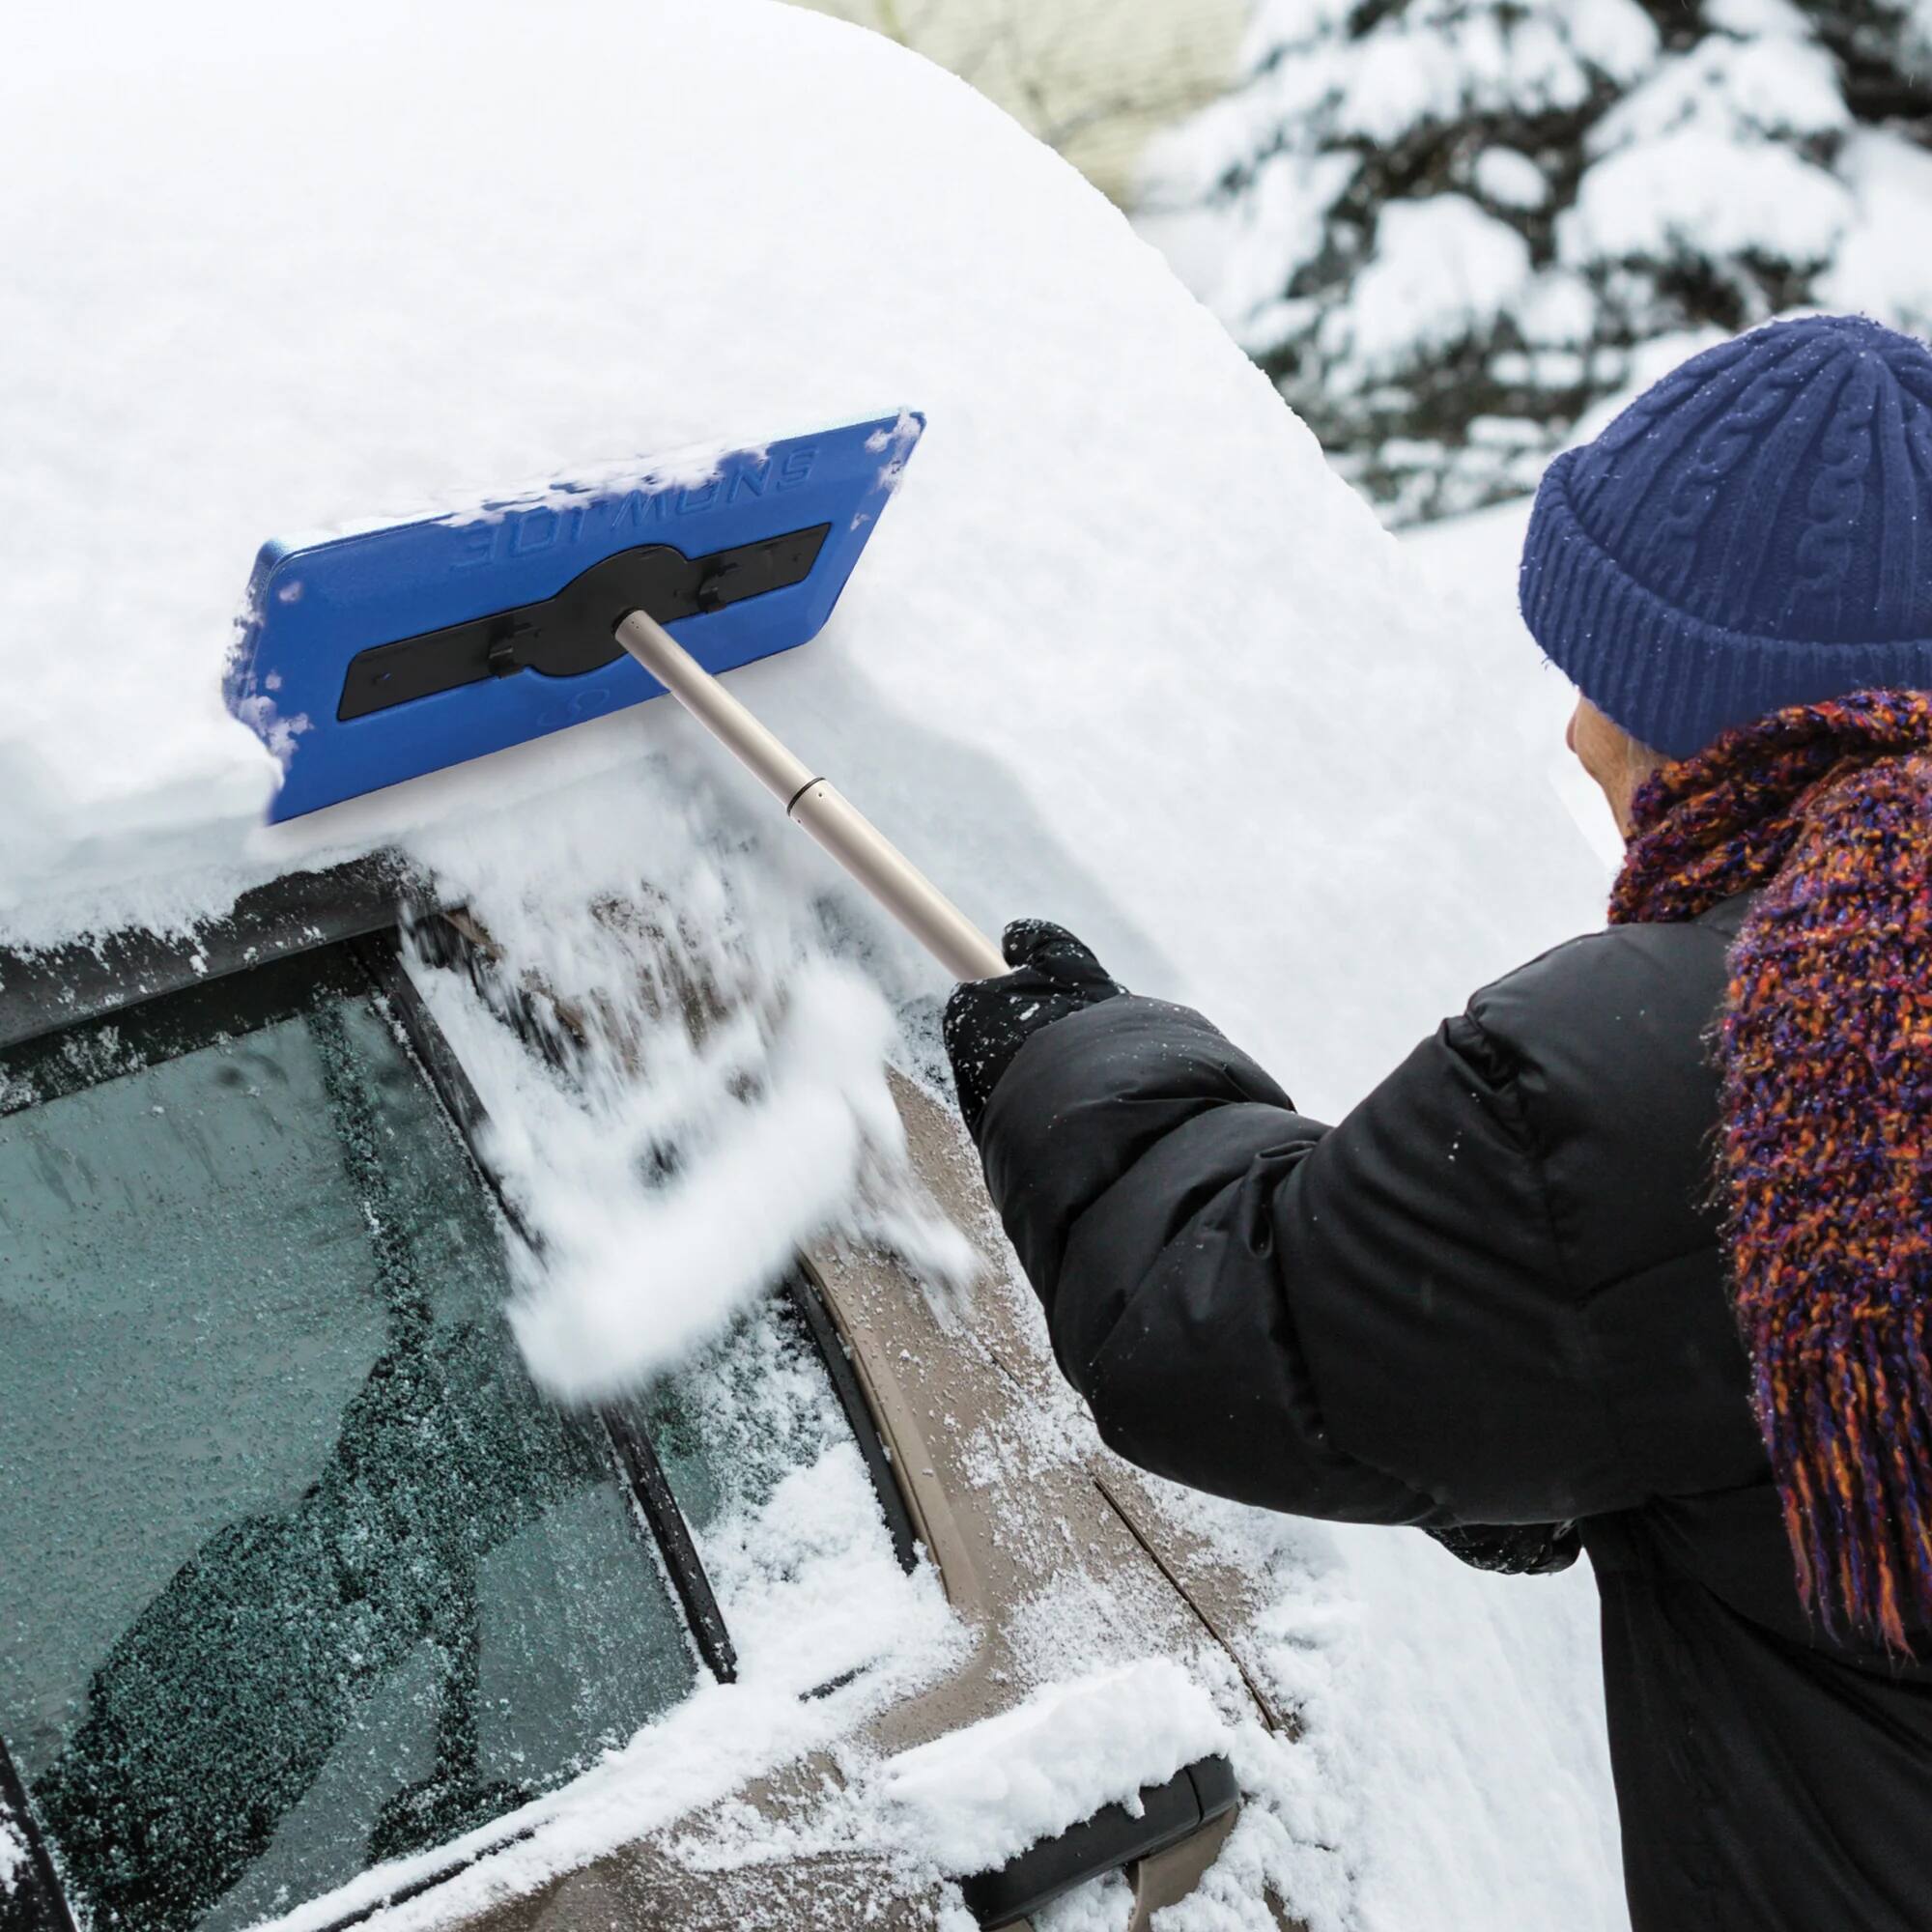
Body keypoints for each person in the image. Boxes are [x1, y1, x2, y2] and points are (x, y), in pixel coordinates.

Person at [942, 313, 1932, 1932]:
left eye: (1618, 685)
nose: (1579, 734)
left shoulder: (1691, 1069)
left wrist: (1080, 1061)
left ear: (1736, 719)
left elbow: (1227, 1330)